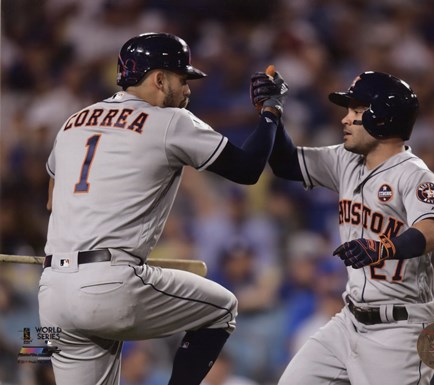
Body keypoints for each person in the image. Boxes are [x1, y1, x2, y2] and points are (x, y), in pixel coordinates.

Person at [38, 32, 287, 385]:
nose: (187, 90)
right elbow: (247, 169)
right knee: (221, 309)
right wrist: (270, 112)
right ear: (158, 78)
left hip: (52, 291)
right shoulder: (169, 120)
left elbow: (52, 198)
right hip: (110, 284)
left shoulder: (72, 122)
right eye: (182, 79)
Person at [250, 70, 434, 385]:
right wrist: (272, 111)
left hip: (400, 331)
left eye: (356, 110)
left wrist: (383, 247)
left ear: (382, 118)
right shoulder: (346, 160)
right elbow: (286, 163)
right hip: (349, 321)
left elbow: (433, 232)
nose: (345, 119)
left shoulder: (415, 176)